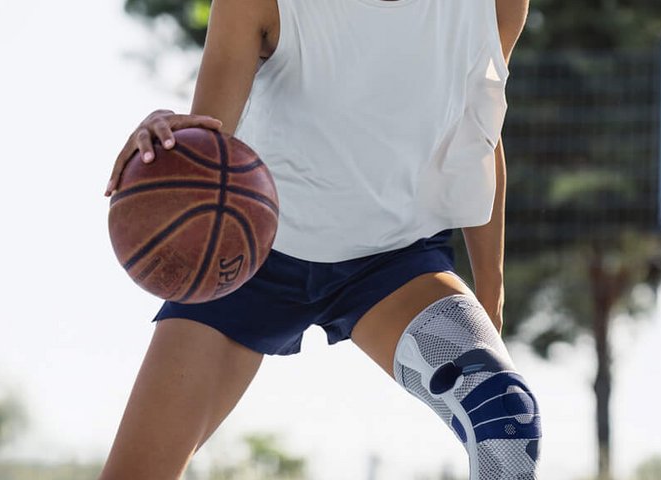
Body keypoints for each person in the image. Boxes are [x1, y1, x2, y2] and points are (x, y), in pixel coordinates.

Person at [100, 0, 538, 478]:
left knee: (506, 419)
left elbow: (479, 136)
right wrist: (169, 144)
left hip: (394, 260)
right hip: (248, 261)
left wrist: (491, 299)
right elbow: (210, 146)